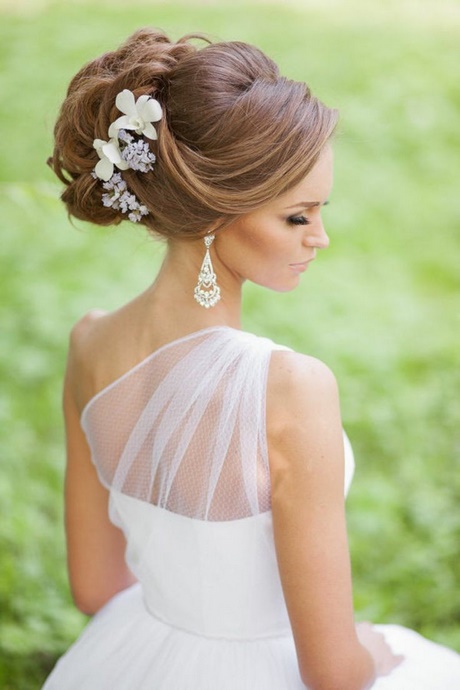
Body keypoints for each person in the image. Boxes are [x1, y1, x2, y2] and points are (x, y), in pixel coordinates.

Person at [43, 28, 460, 690]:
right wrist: (377, 654)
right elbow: (332, 674)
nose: (321, 237)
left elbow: (96, 588)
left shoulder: (88, 343)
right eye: (298, 216)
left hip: (134, 655)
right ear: (214, 215)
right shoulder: (289, 388)